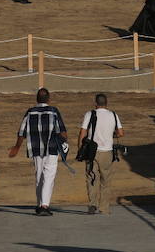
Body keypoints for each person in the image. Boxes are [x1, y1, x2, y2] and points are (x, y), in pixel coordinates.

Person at [9, 88, 67, 216]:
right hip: (52, 148)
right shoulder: (54, 111)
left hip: (35, 148)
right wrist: (63, 143)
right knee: (49, 176)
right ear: (49, 99)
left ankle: (40, 204)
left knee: (39, 175)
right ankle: (44, 206)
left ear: (36, 99)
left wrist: (16, 147)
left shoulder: (30, 112)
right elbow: (63, 132)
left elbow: (21, 132)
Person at [77, 93, 124, 215]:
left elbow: (83, 132)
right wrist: (111, 135)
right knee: (106, 180)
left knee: (91, 177)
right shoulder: (113, 115)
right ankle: (104, 207)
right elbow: (120, 133)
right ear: (106, 104)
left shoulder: (90, 114)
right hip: (107, 152)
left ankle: (92, 204)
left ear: (96, 104)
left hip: (92, 151)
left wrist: (80, 148)